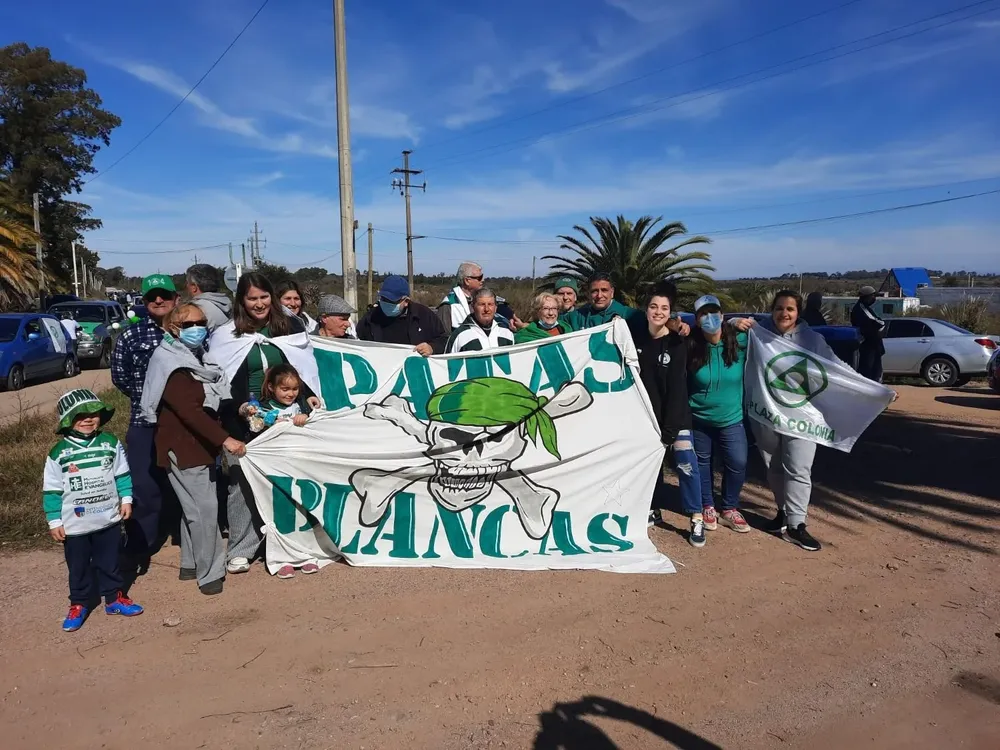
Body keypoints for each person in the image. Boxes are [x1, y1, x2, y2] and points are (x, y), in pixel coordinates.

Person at [206, 272, 321, 575]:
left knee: (289, 482)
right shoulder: (226, 335)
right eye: (252, 298)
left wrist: (308, 395)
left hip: (285, 418)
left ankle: (295, 545)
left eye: (264, 297)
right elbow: (220, 379)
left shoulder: (290, 326)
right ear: (241, 301)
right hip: (242, 420)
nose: (259, 304)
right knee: (241, 484)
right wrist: (239, 407)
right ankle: (241, 548)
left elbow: (302, 367)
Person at [140, 303, 244, 596]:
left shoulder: (191, 357)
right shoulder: (174, 364)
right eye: (189, 325)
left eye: (201, 323)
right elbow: (191, 412)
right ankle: (210, 573)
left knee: (191, 508)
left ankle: (190, 564)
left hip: (191, 445)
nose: (198, 329)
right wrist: (226, 440)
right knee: (205, 510)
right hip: (185, 446)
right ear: (173, 327)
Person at [43, 389, 144, 632]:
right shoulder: (59, 453)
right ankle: (78, 603)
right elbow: (52, 490)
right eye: (80, 416)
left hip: (107, 519)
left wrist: (126, 499)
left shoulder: (110, 443)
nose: (88, 420)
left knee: (110, 562)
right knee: (78, 567)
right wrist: (54, 521)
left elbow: (121, 473)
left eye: (93, 414)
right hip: (75, 525)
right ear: (67, 420)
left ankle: (114, 598)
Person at [753, 290, 839, 552]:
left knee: (799, 468)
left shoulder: (813, 340)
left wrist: (875, 391)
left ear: (798, 312)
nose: (784, 314)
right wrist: (735, 323)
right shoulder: (759, 334)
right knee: (774, 467)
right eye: (779, 308)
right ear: (772, 310)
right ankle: (783, 512)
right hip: (767, 413)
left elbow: (837, 369)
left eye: (790, 309)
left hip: (802, 416)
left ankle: (796, 525)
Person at [110, 273, 178, 569]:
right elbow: (120, 376)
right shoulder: (130, 335)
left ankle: (184, 536)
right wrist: (145, 399)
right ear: (144, 301)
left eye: (164, 295)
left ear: (176, 298)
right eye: (152, 297)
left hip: (182, 423)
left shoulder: (191, 330)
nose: (158, 300)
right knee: (144, 484)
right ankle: (142, 544)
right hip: (143, 421)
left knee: (185, 481)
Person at [629, 282, 704, 547]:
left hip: (676, 420)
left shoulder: (676, 344)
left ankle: (696, 517)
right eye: (653, 307)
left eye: (664, 308)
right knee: (652, 469)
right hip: (647, 419)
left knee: (686, 465)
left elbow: (676, 390)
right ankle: (653, 509)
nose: (658, 312)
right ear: (646, 310)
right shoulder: (635, 340)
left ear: (670, 313)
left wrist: (670, 430)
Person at [687, 295, 754, 535]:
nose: (709, 318)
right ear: (696, 320)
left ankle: (729, 508)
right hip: (699, 419)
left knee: (738, 462)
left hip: (731, 419)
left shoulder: (740, 341)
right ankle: (707, 505)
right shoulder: (690, 346)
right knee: (702, 463)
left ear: (722, 316)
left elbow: (769, 335)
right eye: (703, 314)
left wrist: (737, 322)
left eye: (714, 313)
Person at [357, 275, 447, 355]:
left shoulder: (424, 315)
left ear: (406, 301)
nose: (386, 303)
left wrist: (432, 348)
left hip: (413, 370)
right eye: (384, 299)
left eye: (392, 301)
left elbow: (444, 340)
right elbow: (358, 342)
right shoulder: (370, 317)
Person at [562, 272, 644, 330]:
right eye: (595, 291)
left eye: (604, 290)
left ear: (612, 292)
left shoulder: (631, 315)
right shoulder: (575, 317)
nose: (599, 295)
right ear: (588, 294)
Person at [446, 288, 516, 353]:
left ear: (495, 308)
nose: (486, 309)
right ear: (473, 306)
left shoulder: (506, 333)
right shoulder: (459, 336)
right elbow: (447, 364)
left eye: (490, 304)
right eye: (482, 304)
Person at [437, 262, 486, 336]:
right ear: (467, 281)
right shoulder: (449, 305)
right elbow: (443, 337)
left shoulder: (483, 300)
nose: (483, 280)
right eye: (479, 277)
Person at [851, 285, 887, 382]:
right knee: (870, 372)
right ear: (867, 297)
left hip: (871, 345)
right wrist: (882, 324)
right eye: (873, 296)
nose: (874, 298)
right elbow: (877, 322)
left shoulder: (863, 308)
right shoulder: (861, 308)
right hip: (869, 345)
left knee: (873, 371)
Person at [185, 263, 233, 332]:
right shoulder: (226, 303)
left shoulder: (194, 309)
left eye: (187, 283)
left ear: (194, 287)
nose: (186, 286)